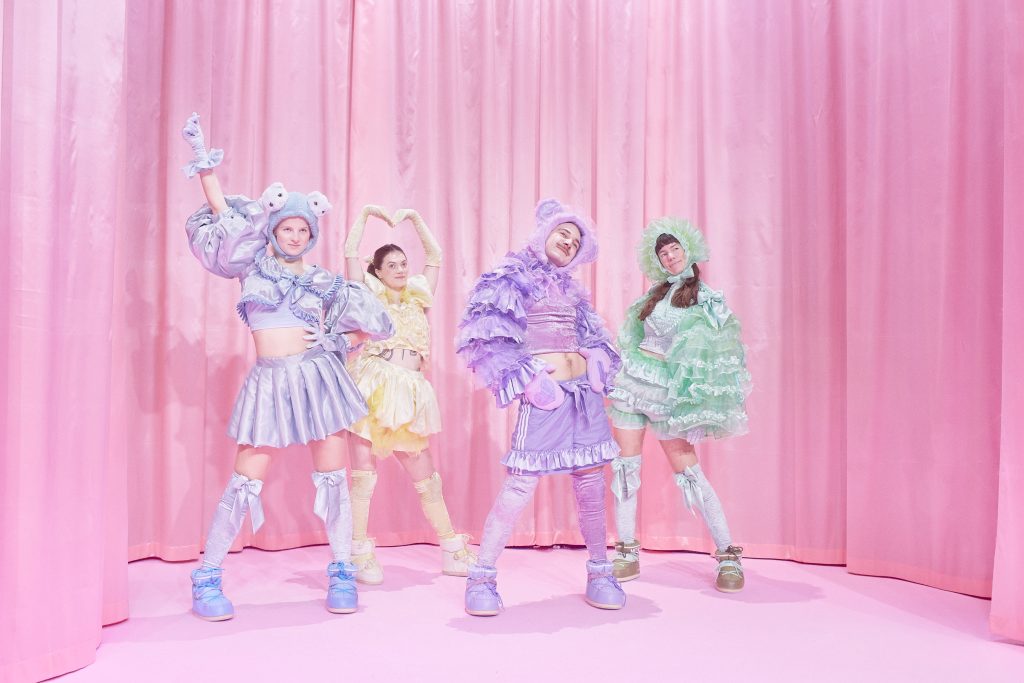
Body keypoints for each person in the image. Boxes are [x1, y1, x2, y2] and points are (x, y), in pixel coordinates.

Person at [180, 113, 393, 620]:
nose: (295, 236)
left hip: (318, 379)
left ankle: (342, 571)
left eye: (303, 229)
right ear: (273, 230)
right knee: (245, 478)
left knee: (333, 476)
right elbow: (222, 213)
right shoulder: (251, 266)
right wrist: (204, 163)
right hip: (271, 384)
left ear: (312, 234)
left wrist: (339, 339)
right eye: (287, 228)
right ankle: (206, 576)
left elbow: (378, 323)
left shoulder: (324, 280)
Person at [455, 198, 625, 616]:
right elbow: (486, 333)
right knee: (519, 486)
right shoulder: (511, 275)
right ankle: (481, 578)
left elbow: (593, 334)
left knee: (591, 484)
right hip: (545, 396)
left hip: (583, 396)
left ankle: (600, 572)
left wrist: (596, 356)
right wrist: (528, 379)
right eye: (562, 234)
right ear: (544, 233)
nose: (568, 242)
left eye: (575, 241)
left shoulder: (573, 292)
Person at [607, 217, 751, 591]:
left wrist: (696, 400)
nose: (670, 256)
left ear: (688, 250)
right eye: (663, 253)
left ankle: (728, 555)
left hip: (667, 391)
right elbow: (633, 335)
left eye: (674, 249)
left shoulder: (706, 297)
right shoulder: (655, 294)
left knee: (689, 473)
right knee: (625, 469)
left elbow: (714, 352)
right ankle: (626, 551)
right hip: (631, 382)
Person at [341, 206, 476, 583]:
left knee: (426, 475)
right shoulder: (369, 295)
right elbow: (350, 253)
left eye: (403, 263)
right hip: (373, 383)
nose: (401, 269)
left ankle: (451, 550)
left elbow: (435, 255)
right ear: (378, 271)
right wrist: (366, 216)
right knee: (363, 475)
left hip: (410, 389)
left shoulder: (418, 296)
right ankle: (359, 552)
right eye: (392, 265)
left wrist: (415, 218)